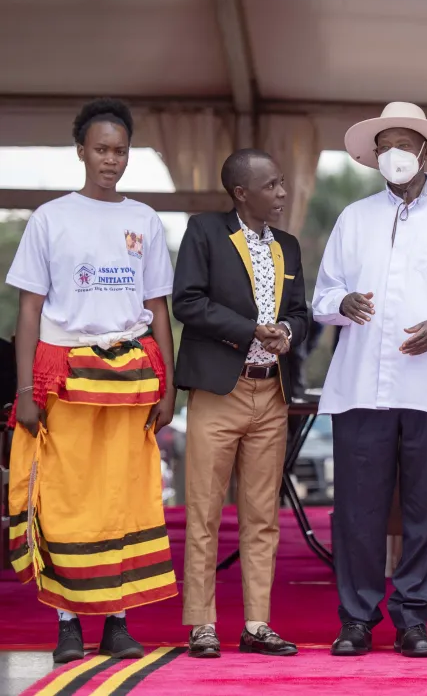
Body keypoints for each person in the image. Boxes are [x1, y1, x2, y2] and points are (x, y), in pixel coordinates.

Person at [313, 102, 427, 658]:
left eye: (402, 144)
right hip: (361, 388)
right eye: (383, 145)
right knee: (358, 512)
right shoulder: (353, 218)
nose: (392, 154)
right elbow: (321, 299)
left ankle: (413, 617)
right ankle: (356, 620)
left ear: (424, 152)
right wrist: (340, 302)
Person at [6, 98, 177, 663]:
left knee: (123, 495)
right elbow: (29, 310)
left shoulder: (144, 220)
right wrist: (25, 390)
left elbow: (157, 308)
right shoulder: (51, 218)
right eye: (101, 149)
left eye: (121, 151)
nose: (111, 160)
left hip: (131, 377)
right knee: (65, 499)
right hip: (66, 374)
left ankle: (118, 623)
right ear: (81, 151)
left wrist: (168, 385)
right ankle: (67, 625)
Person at [173, 149, 310, 658]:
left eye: (281, 184)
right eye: (271, 185)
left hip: (270, 391)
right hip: (217, 392)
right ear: (241, 193)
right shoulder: (205, 232)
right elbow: (186, 301)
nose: (281, 193)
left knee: (263, 517)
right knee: (205, 513)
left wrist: (289, 333)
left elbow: (300, 311)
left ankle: (256, 624)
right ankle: (202, 625)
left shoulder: (289, 246)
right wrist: (249, 330)